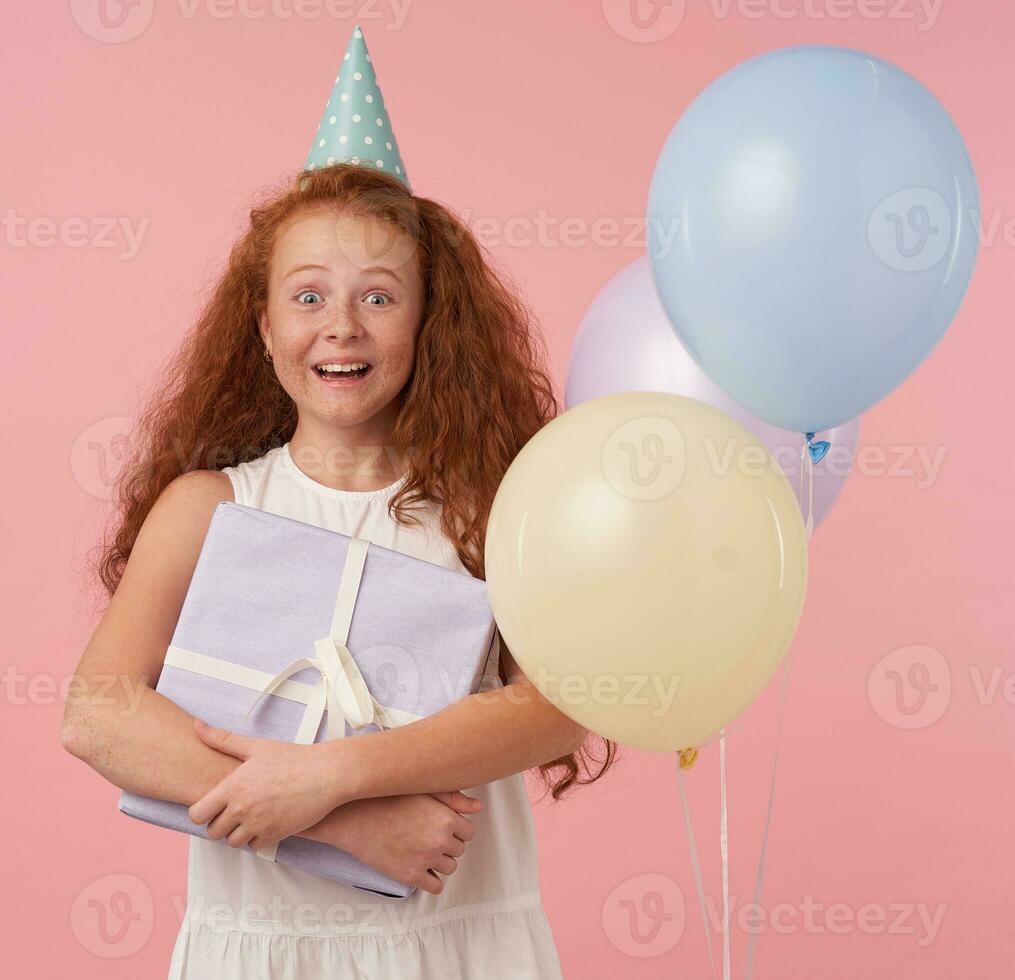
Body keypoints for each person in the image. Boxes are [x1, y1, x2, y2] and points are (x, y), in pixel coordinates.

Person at [63, 26, 615, 978]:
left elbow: (558, 709)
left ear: (430, 319)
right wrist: (349, 827)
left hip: (457, 947)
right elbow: (99, 712)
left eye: (380, 296)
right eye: (308, 296)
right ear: (265, 322)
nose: (341, 327)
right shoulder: (211, 507)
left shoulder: (494, 506)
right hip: (267, 951)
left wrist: (332, 775)